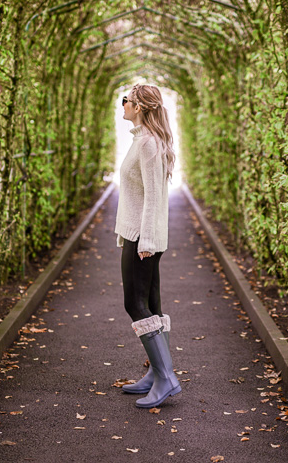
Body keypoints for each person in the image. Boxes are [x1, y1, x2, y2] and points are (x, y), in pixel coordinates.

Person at [114, 83, 179, 408]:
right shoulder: (142, 140)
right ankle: (157, 374)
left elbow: (154, 196)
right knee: (150, 304)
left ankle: (166, 378)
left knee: (135, 304)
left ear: (138, 106)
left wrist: (148, 241)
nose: (122, 105)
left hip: (144, 237)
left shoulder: (149, 144)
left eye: (125, 100)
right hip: (138, 233)